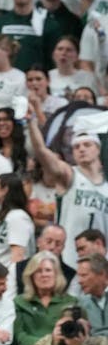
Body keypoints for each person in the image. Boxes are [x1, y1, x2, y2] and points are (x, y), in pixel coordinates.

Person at [26, 112, 107, 268]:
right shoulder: (70, 174)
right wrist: (31, 123)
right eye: (76, 147)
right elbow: (42, 152)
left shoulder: (106, 185)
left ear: (98, 149)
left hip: (100, 266)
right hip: (68, 261)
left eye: (87, 145)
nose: (81, 149)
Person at [14, 251, 77, 345]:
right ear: (31, 276)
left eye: (48, 270)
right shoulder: (20, 302)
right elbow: (20, 336)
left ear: (56, 274)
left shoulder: (71, 302)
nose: (44, 275)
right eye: (39, 271)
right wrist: (48, 344)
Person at [0, 173, 34, 268]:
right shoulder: (3, 216)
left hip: (6, 277)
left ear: (5, 190)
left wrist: (10, 280)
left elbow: (18, 254)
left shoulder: (18, 217)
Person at [77, 254, 108, 337]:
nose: (79, 281)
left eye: (84, 275)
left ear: (102, 274)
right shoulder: (81, 305)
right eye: (79, 276)